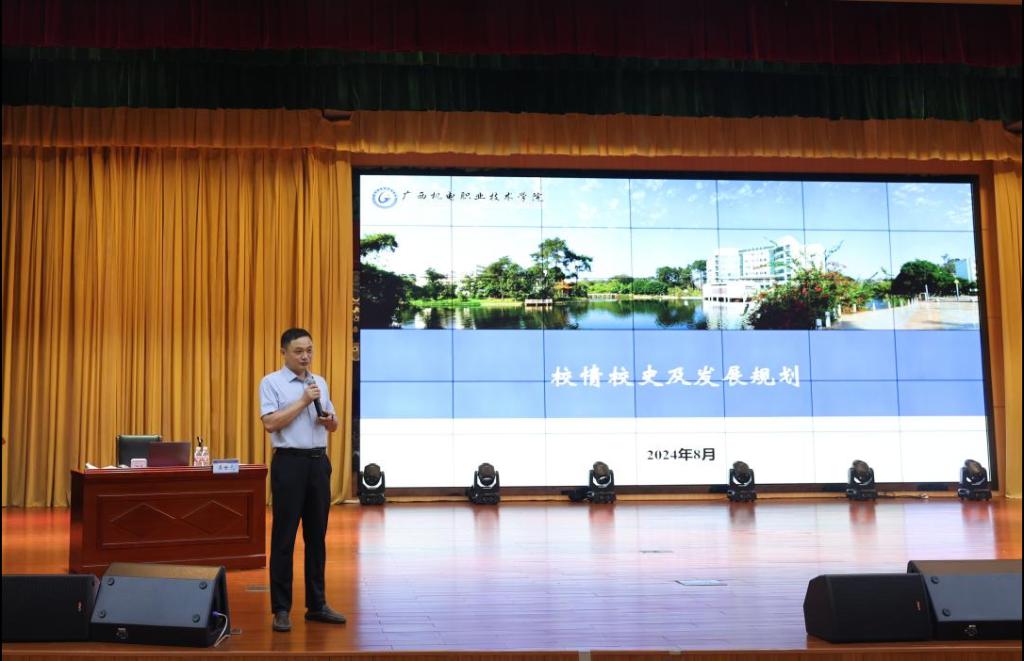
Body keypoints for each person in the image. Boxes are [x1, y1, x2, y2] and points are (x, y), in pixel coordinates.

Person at [259, 328, 346, 632]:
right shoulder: (271, 383)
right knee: (284, 538)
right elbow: (271, 423)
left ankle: (317, 605)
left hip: (318, 464)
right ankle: (281, 609)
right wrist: (302, 400)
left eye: (309, 350)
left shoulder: (319, 381)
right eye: (299, 351)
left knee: (316, 538)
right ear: (283, 352)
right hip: (289, 464)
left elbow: (333, 424)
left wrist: (330, 420)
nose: (305, 356)